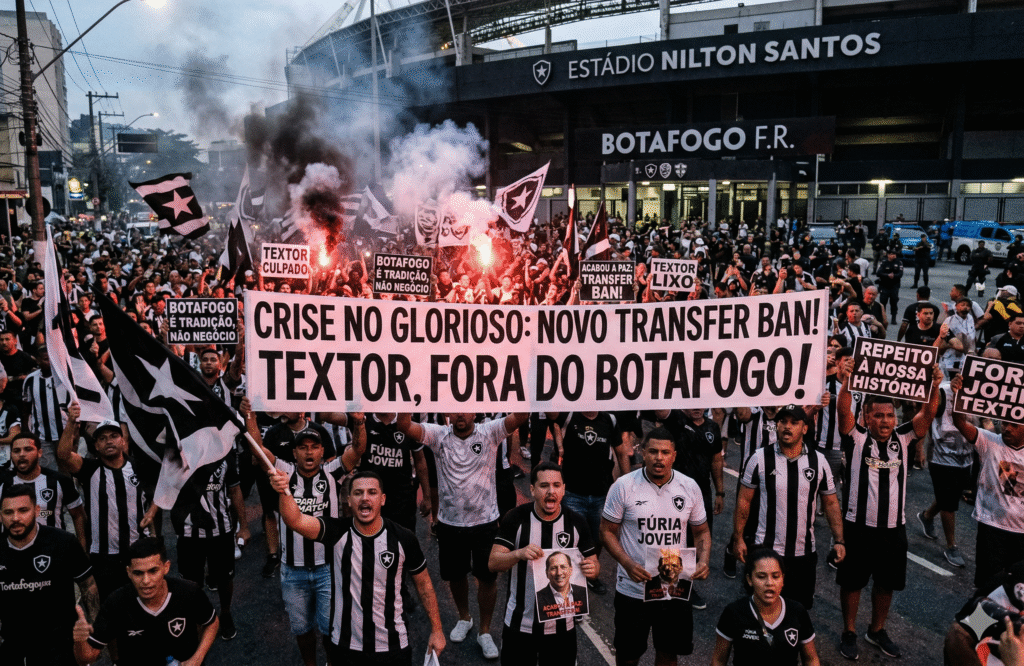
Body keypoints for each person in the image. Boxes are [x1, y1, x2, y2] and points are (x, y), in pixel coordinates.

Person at [270, 469, 446, 666]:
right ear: (349, 500)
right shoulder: (336, 532)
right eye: (358, 493)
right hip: (345, 647)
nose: (365, 498)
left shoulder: (404, 538)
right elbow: (295, 520)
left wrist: (437, 630)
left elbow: (424, 585)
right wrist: (284, 490)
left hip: (393, 646)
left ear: (383, 499)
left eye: (372, 492)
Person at [834, 356, 942, 660]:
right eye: (879, 416)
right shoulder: (856, 437)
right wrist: (847, 382)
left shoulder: (904, 438)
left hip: (894, 529)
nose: (885, 421)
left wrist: (935, 384)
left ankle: (877, 629)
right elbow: (844, 411)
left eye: (889, 415)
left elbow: (929, 412)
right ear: (867, 418)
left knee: (886, 583)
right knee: (853, 582)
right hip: (858, 525)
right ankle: (850, 631)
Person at [398, 411, 528, 659]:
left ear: (474, 411)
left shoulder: (490, 431)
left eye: (465, 408)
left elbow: (520, 417)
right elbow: (404, 424)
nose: (460, 414)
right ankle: (464, 618)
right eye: (454, 408)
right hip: (450, 524)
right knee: (456, 576)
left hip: (485, 523)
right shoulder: (438, 436)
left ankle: (485, 631)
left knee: (487, 579)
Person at [245, 405, 365, 666]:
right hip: (293, 572)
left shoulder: (333, 472)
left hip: (327, 569)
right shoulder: (283, 473)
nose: (309, 451)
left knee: (330, 629)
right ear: (294, 453)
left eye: (314, 447)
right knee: (301, 629)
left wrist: (358, 423)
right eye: (303, 447)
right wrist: (250, 415)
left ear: (323, 452)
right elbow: (258, 450)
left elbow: (357, 450)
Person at [601, 427, 711, 666]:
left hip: (674, 588)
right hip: (633, 588)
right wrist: (627, 563)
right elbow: (606, 532)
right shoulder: (623, 486)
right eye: (653, 451)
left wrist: (703, 560)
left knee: (669, 653)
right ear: (642, 453)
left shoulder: (689, 487)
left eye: (665, 452)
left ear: (674, 455)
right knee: (628, 655)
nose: (659, 458)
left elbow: (701, 531)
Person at [733, 406, 845, 610]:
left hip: (803, 554)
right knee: (762, 609)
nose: (787, 426)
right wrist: (739, 538)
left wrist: (839, 540)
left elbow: (830, 503)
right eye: (783, 421)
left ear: (805, 428)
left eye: (794, 422)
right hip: (765, 550)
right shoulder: (759, 458)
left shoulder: (818, 461)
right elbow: (744, 501)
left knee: (798, 610)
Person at [489, 461, 598, 665]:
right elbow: (493, 563)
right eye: (544, 486)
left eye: (556, 485)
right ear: (532, 489)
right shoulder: (516, 518)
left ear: (564, 489)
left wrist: (592, 569)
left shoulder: (576, 522)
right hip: (520, 624)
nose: (551, 491)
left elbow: (593, 563)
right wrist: (518, 554)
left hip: (563, 627)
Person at [57, 406, 156, 599]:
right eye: (102, 438)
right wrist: (70, 422)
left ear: (122, 440)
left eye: (113, 436)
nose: (108, 441)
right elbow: (63, 456)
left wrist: (152, 514)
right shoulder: (89, 468)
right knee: (110, 607)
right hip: (103, 556)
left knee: (141, 603)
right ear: (96, 446)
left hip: (136, 551)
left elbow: (160, 492)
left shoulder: (138, 467)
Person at [73, 537, 220, 666]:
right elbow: (86, 659)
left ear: (166, 567)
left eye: (153, 571)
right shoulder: (116, 603)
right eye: (138, 573)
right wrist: (80, 640)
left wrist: (197, 658)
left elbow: (211, 622)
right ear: (128, 572)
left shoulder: (188, 592)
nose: (146, 581)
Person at [0, 484, 98, 665]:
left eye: (23, 510)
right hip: (12, 647)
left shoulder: (63, 542)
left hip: (59, 646)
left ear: (37, 511)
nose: (15, 518)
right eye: (8, 512)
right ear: (0, 515)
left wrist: (94, 633)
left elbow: (88, 585)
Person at [950, 374, 1024, 591]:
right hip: (992, 528)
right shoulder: (989, 442)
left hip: (1021, 534)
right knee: (987, 585)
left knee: (1016, 589)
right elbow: (959, 422)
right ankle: (977, 624)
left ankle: (1006, 626)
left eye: (1014, 425)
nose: (1007, 428)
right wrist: (959, 396)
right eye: (1004, 423)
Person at [548, 410, 631, 595]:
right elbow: (551, 412)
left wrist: (629, 484)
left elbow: (621, 452)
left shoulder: (610, 419)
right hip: (573, 493)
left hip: (602, 494)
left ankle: (590, 576)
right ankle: (568, 588)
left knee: (598, 538)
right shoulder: (569, 414)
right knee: (570, 541)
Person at [711, 548, 820, 666]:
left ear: (782, 579)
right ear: (749, 579)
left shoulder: (797, 611)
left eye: (775, 576)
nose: (769, 583)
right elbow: (719, 660)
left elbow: (811, 659)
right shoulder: (734, 612)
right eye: (761, 576)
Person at [917, 380, 973, 568]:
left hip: (967, 457)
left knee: (951, 496)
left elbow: (987, 423)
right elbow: (925, 417)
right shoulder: (943, 391)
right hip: (941, 458)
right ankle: (951, 545)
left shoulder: (983, 394)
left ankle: (927, 516)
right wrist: (920, 449)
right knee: (949, 503)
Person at [0, 431, 86, 544]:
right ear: (11, 454)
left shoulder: (59, 481)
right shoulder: (2, 482)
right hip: (12, 553)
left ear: (39, 452)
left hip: (54, 550)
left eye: (28, 449)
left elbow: (78, 515)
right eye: (16, 451)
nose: (21, 454)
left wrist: (83, 549)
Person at [535, 551, 590, 620]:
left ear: (571, 570)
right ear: (547, 573)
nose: (559, 573)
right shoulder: (538, 598)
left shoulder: (582, 591)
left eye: (563, 567)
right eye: (553, 568)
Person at [876, 248, 903, 323]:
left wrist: (894, 276)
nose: (894, 256)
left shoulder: (899, 262)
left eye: (895, 254)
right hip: (884, 285)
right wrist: (887, 275)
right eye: (892, 254)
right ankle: (882, 317)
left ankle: (893, 318)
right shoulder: (884, 262)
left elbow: (900, 274)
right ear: (888, 255)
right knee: (883, 302)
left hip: (894, 286)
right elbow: (878, 273)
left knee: (894, 302)